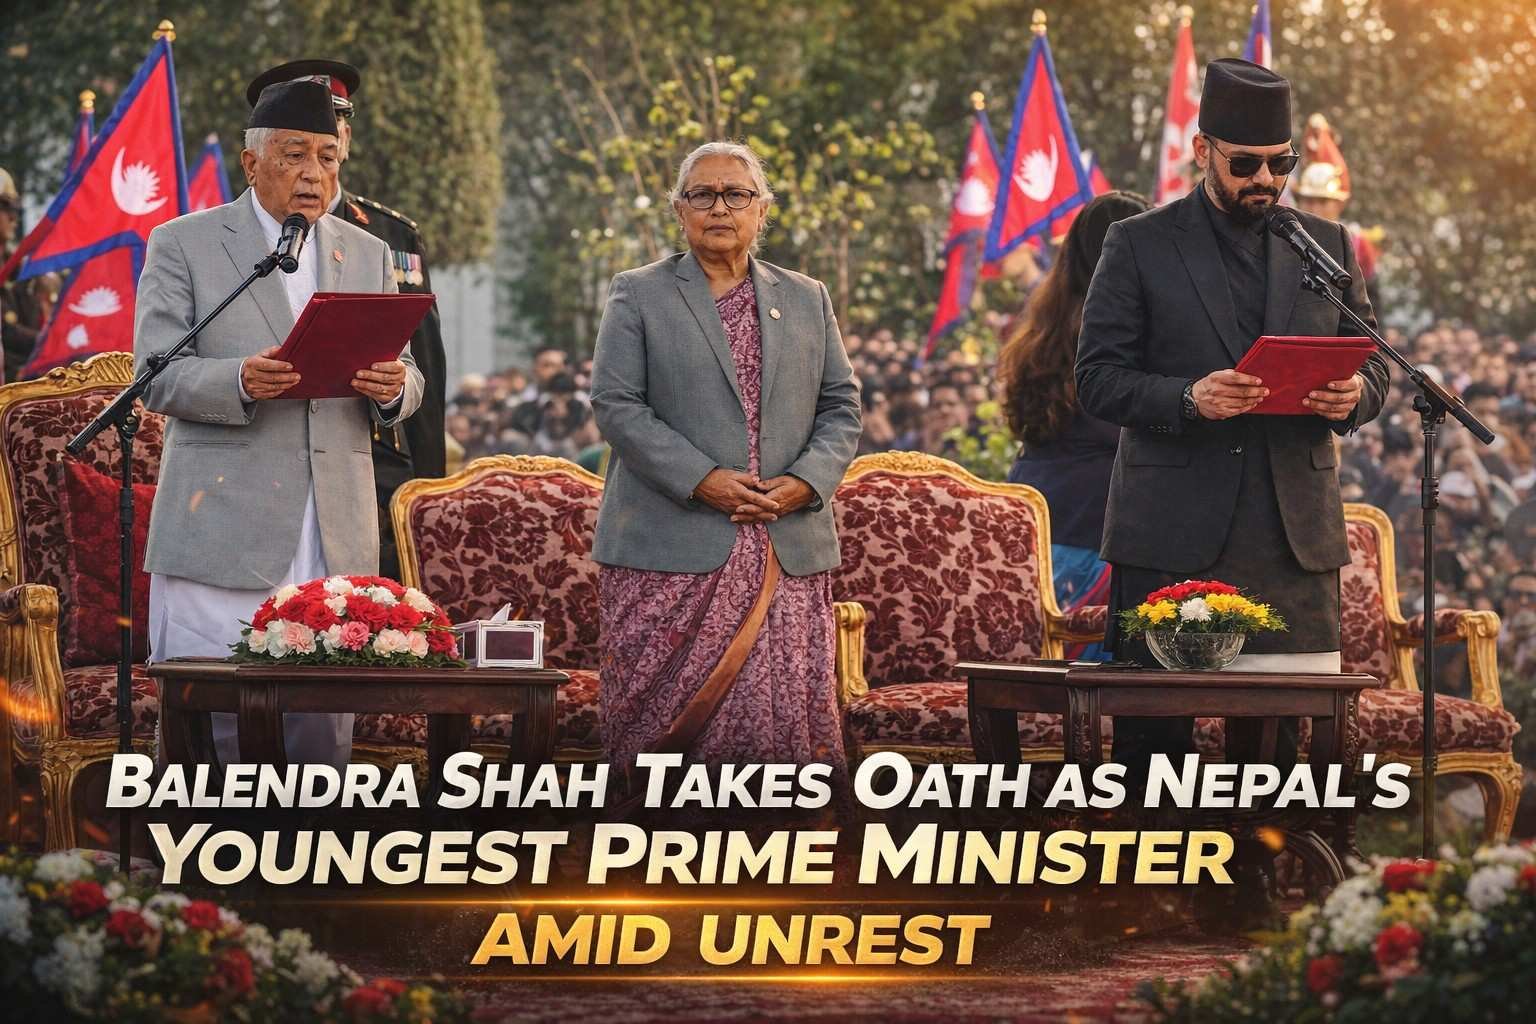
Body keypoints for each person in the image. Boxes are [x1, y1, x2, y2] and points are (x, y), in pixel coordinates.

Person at [1076, 58, 1390, 764]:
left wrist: (1356, 395)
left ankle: (1272, 875)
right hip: (1171, 536)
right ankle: (1153, 875)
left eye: (1281, 164)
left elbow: (1374, 363)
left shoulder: (1328, 245)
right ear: (1203, 151)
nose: (1266, 182)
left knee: (1276, 760)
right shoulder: (1139, 243)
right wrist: (1189, 398)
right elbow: (1096, 380)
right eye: (1246, 164)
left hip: (1291, 538)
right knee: (1154, 757)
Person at [137, 79, 423, 768]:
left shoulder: (368, 253)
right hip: (221, 524)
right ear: (252, 162)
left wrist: (393, 390)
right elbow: (153, 375)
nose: (314, 174)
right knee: (216, 736)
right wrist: (238, 378)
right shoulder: (185, 243)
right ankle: (205, 872)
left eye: (328, 158)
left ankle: (311, 870)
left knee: (321, 732)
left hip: (332, 527)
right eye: (296, 155)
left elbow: (408, 373)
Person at [589, 141, 860, 778]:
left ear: (762, 211)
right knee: (657, 734)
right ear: (678, 211)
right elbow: (617, 404)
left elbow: (841, 406)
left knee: (781, 733)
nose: (720, 207)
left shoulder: (805, 297)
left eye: (736, 195)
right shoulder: (639, 293)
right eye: (702, 194)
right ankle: (655, 856)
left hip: (784, 541)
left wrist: (804, 483)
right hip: (669, 547)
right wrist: (702, 481)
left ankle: (775, 855)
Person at [246, 60, 448, 582]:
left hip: (375, 459)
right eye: (296, 144)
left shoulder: (388, 236)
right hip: (263, 460)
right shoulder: (237, 231)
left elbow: (422, 361)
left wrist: (428, 485)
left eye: (330, 127)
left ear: (345, 136)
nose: (315, 153)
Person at [999, 191, 1151, 660]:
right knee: (1103, 703)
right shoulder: (1122, 332)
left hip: (1037, 529)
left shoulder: (1045, 326)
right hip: (1098, 537)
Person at [0, 168, 46, 382]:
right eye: (6, 207)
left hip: (24, 378)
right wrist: (50, 340)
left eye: (16, 209)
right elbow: (7, 333)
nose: (13, 217)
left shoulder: (20, 270)